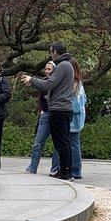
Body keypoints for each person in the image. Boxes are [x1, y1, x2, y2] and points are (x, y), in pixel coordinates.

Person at [20, 42, 75, 180]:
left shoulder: (63, 65)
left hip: (59, 109)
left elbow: (49, 84)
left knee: (61, 142)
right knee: (62, 141)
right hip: (62, 108)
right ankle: (64, 170)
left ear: (55, 52)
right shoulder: (67, 65)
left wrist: (31, 79)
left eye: (51, 52)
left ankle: (65, 172)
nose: (50, 54)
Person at [51, 58, 86, 178]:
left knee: (64, 143)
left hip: (69, 115)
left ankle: (66, 169)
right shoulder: (79, 82)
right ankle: (74, 170)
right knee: (72, 143)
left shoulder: (72, 82)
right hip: (76, 117)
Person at [25, 60, 54, 173]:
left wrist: (32, 81)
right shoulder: (44, 81)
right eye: (45, 69)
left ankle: (55, 169)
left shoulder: (57, 82)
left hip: (56, 114)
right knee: (38, 142)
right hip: (45, 114)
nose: (46, 71)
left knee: (58, 143)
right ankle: (33, 166)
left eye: (49, 69)